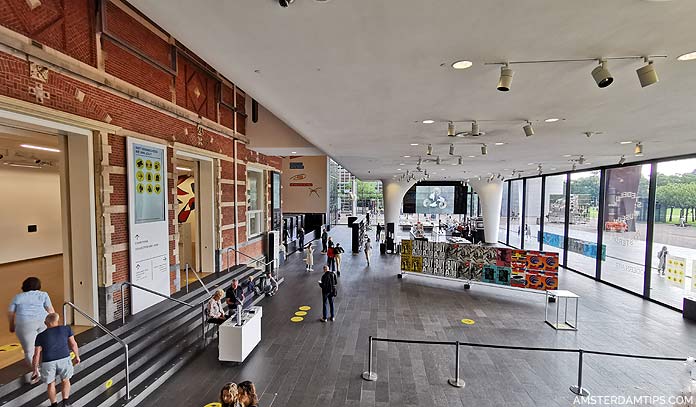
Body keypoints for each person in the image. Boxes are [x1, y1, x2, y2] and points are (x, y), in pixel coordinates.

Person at [8, 277, 54, 382]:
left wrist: (11, 325)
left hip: (25, 324)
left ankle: (36, 371)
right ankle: (50, 367)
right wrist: (55, 324)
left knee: (29, 350)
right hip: (43, 321)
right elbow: (51, 310)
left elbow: (11, 313)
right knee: (47, 345)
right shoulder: (43, 294)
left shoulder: (18, 297)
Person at [32, 313, 79, 407]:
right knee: (65, 380)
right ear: (58, 321)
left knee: (51, 383)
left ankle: (54, 405)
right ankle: (66, 402)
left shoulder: (40, 336)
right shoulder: (66, 329)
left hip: (48, 362)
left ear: (46, 323)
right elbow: (73, 344)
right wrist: (77, 356)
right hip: (64, 358)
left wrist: (35, 369)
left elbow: (36, 355)